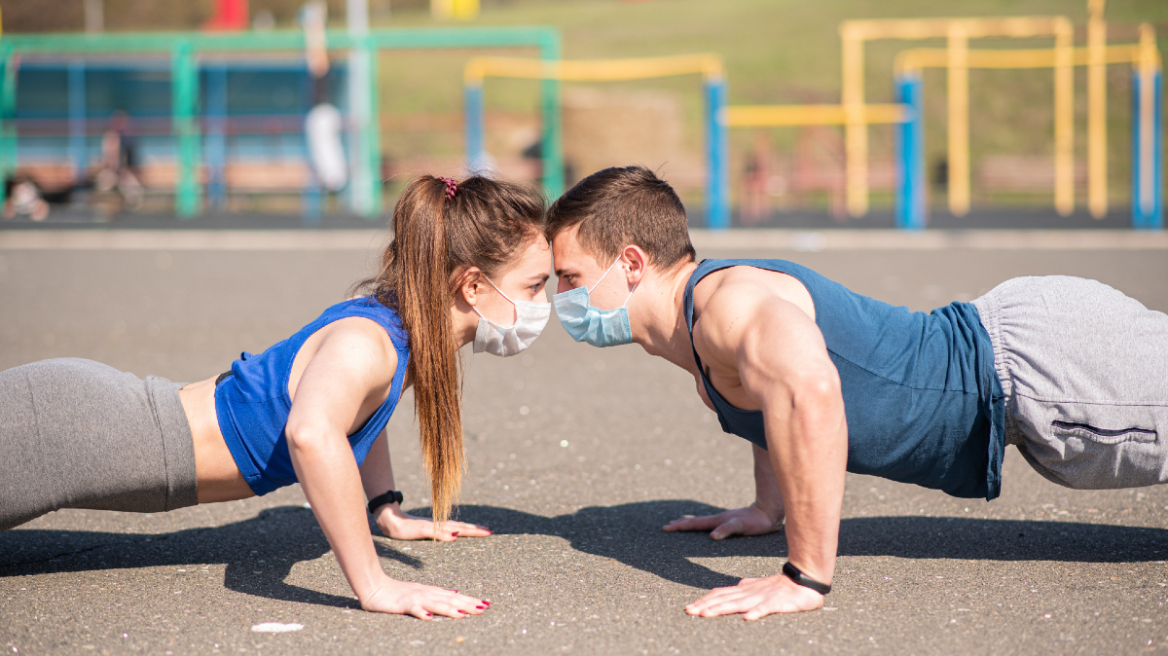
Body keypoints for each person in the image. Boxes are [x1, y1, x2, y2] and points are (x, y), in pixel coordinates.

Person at [545, 165, 1168, 620]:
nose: (564, 299)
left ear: (630, 263)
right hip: (1018, 349)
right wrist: (768, 510)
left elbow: (809, 391)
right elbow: (769, 407)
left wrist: (805, 575)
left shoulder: (728, 305)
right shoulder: (702, 326)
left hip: (1042, 368)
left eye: (570, 278)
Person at [0, 174, 553, 620]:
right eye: (534, 285)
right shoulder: (370, 344)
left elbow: (362, 415)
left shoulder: (399, 335)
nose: (542, 301)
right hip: (71, 431)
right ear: (474, 286)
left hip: (103, 428)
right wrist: (376, 585)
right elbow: (313, 435)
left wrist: (385, 510)